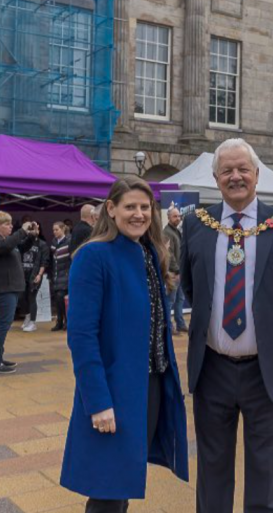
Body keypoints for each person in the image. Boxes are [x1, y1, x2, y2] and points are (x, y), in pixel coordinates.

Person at [180, 138, 273, 513]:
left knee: (267, 473)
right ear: (216, 177)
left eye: (242, 169)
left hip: (267, 368)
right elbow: (192, 287)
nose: (235, 177)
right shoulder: (196, 225)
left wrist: (266, 326)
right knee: (212, 468)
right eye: (227, 171)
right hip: (212, 367)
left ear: (257, 174)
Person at [60, 176, 188, 513]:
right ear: (111, 209)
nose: (139, 214)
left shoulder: (148, 252)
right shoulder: (94, 256)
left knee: (125, 481)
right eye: (130, 206)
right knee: (107, 490)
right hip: (114, 389)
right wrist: (98, 401)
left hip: (150, 386)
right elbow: (82, 336)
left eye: (145, 207)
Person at [0, 212, 30, 374]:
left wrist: (31, 236)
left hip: (9, 288)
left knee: (4, 325)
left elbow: (21, 247)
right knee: (3, 326)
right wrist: (22, 231)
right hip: (3, 289)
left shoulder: (5, 242)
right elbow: (7, 246)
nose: (11, 226)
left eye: (11, 224)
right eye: (7, 224)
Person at [162, 207, 188, 333]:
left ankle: (180, 324)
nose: (178, 218)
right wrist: (177, 271)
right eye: (175, 216)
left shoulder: (177, 231)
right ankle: (169, 326)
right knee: (170, 300)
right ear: (168, 217)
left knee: (180, 299)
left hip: (180, 271)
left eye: (179, 216)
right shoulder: (166, 232)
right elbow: (169, 254)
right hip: (173, 273)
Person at [20, 223, 48, 332]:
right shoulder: (23, 243)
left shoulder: (42, 244)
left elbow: (44, 261)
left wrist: (39, 275)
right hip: (22, 275)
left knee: (32, 297)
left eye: (34, 230)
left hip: (34, 274)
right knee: (22, 297)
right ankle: (27, 316)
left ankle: (32, 322)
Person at [50, 222, 72, 331]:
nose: (54, 232)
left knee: (62, 298)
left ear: (63, 229)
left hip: (66, 275)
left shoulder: (69, 241)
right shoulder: (53, 242)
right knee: (57, 301)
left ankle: (67, 322)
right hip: (56, 275)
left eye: (57, 229)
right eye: (53, 230)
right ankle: (59, 321)